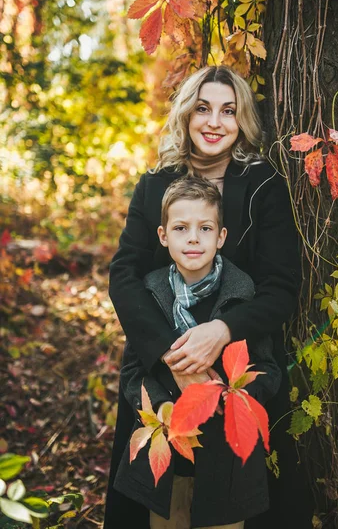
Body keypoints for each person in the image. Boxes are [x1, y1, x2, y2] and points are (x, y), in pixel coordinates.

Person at [104, 65, 314, 529]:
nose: (214, 122)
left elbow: (282, 287)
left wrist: (222, 331)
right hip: (161, 360)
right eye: (203, 108)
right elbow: (124, 275)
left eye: (228, 110)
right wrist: (169, 354)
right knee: (159, 496)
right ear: (187, 114)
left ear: (242, 122)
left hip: (238, 360)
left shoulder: (262, 185)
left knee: (237, 497)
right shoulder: (156, 183)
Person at [114, 176, 282, 529]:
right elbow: (132, 372)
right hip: (167, 454)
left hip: (226, 461)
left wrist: (234, 401)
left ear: (221, 237)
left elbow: (267, 367)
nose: (193, 237)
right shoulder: (151, 292)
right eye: (181, 228)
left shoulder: (242, 293)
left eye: (205, 228)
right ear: (163, 236)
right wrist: (162, 407)